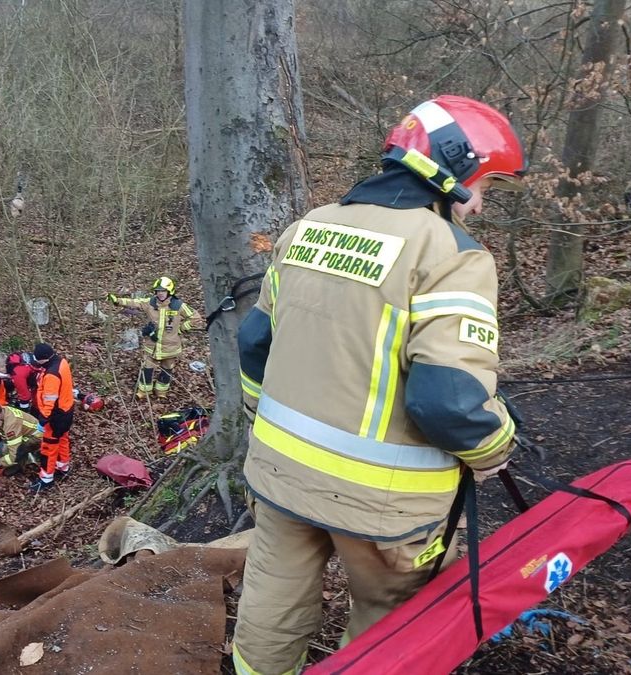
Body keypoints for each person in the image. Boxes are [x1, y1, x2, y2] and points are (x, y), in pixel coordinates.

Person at [231, 95, 525, 674]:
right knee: (394, 623)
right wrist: (496, 447)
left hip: (280, 472)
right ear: (453, 171)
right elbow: (448, 401)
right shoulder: (452, 256)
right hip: (386, 504)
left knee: (271, 600)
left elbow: (254, 344)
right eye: (486, 183)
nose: (484, 202)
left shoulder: (308, 228)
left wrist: (262, 419)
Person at [107, 276, 202, 400]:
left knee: (167, 369)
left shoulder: (179, 305)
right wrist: (117, 300)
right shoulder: (150, 303)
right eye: (158, 291)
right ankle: (143, 391)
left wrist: (181, 328)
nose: (160, 294)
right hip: (152, 344)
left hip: (170, 346)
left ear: (169, 291)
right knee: (147, 368)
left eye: (163, 291)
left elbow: (196, 318)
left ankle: (161, 391)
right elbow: (135, 302)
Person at [31, 342, 75, 491]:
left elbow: (50, 400)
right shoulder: (61, 362)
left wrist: (43, 420)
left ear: (43, 359)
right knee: (63, 440)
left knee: (49, 447)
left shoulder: (51, 375)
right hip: (66, 411)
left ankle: (46, 478)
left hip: (55, 416)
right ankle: (63, 467)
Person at [0, 401, 45, 471]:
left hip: (35, 437)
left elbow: (14, 452)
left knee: (5, 450)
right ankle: (25, 457)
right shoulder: (1, 411)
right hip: (24, 432)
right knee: (2, 447)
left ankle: (19, 465)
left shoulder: (11, 424)